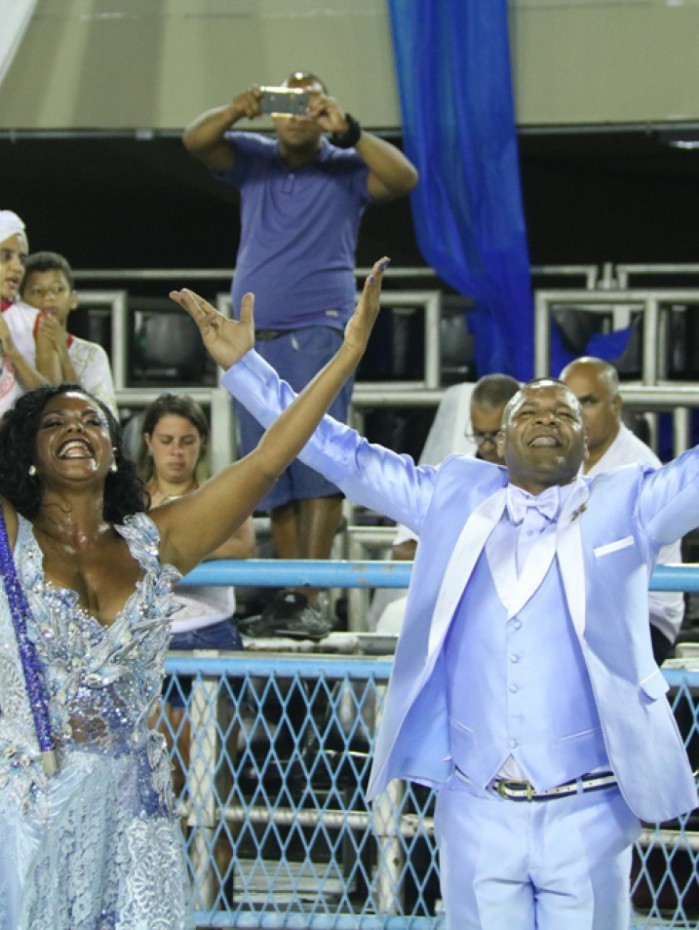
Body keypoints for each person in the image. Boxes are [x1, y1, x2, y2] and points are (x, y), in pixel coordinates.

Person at [215, 333, 699, 928]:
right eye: (529, 411)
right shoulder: (450, 494)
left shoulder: (631, 499)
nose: (546, 420)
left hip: (592, 808)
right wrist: (245, 369)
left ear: (589, 437)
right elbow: (338, 451)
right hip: (474, 805)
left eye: (564, 412)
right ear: (501, 434)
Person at [0, 257, 388, 929]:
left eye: (91, 421)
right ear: (26, 452)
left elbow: (269, 457)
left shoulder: (157, 540)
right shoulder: (10, 536)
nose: (76, 431)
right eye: (55, 423)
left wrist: (345, 352)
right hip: (25, 806)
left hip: (132, 807)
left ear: (114, 450)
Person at [182, 72, 418, 634]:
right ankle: (290, 592)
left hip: (319, 329)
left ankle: (311, 594)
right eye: (285, 103)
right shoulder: (252, 156)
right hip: (253, 338)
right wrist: (237, 107)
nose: (296, 114)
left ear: (324, 110)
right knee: (272, 467)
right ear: (271, 111)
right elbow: (195, 140)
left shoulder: (343, 163)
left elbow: (403, 178)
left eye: (308, 103)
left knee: (321, 457)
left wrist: (350, 130)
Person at [560, 356, 684, 664]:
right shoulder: (559, 459)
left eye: (587, 402)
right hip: (580, 608)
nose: (577, 414)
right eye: (568, 404)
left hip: (645, 615)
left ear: (616, 404)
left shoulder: (639, 468)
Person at [373, 373, 520, 634]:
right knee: (393, 619)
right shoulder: (446, 477)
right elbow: (403, 551)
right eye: (478, 434)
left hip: (517, 598)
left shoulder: (541, 478)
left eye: (495, 435)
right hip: (450, 596)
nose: (486, 446)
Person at [21, 250, 118, 416]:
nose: (49, 297)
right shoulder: (12, 354)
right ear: (22, 302)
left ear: (73, 300)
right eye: (37, 291)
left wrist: (63, 355)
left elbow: (104, 420)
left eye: (58, 289)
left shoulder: (93, 355)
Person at [0, 210, 51, 415]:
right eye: (6, 257)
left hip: (15, 443)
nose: (18, 267)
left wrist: (12, 350)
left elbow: (53, 397)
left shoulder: (36, 322)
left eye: (21, 259)